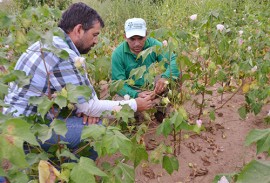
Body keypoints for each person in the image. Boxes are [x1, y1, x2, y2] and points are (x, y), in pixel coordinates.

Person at [3, 2, 154, 163]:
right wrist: (135, 105)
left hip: (15, 123)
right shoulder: (64, 55)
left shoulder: (46, 43)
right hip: (26, 131)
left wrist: (86, 109)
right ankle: (61, 173)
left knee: (89, 117)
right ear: (78, 30)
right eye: (94, 35)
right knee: (98, 131)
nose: (96, 41)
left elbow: (81, 103)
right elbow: (91, 106)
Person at [111, 18, 180, 120]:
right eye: (132, 39)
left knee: (175, 76)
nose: (137, 43)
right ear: (125, 37)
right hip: (131, 92)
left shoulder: (154, 45)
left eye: (140, 38)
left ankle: (161, 110)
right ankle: (139, 114)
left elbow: (173, 61)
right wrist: (136, 94)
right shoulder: (118, 54)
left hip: (152, 88)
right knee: (118, 108)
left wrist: (165, 78)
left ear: (146, 34)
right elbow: (118, 83)